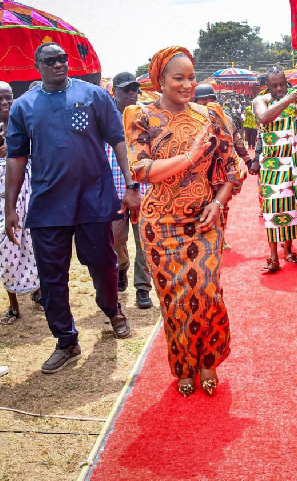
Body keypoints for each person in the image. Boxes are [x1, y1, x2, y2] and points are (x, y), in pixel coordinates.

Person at [5, 42, 138, 374]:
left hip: (92, 199)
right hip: (48, 206)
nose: (58, 65)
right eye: (50, 61)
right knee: (52, 279)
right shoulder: (24, 107)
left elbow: (117, 139)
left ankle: (112, 310)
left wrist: (131, 183)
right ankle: (66, 341)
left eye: (63, 59)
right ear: (38, 65)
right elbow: (16, 158)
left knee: (104, 265)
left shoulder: (94, 96)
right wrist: (10, 207)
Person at [125, 46, 240, 397]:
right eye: (179, 78)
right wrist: (189, 157)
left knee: (206, 292)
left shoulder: (211, 116)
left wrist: (218, 204)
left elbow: (230, 169)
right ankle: (183, 364)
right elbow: (141, 169)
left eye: (191, 76)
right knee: (173, 299)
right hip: (160, 226)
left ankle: (208, 360)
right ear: (160, 79)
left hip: (204, 222)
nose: (188, 84)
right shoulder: (140, 115)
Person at [252, 67, 297, 271]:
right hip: (272, 165)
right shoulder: (261, 100)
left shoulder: (296, 99)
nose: (280, 88)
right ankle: (273, 257)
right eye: (275, 86)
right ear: (267, 86)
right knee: (272, 209)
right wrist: (288, 99)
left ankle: (289, 251)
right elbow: (264, 118)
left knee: (294, 207)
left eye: (282, 84)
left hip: (295, 162)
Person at [107, 72, 153, 309]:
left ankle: (143, 288)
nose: (131, 94)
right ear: (114, 91)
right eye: (126, 90)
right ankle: (122, 267)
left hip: (143, 190)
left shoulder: (146, 115)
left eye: (134, 89)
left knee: (145, 242)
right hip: (113, 192)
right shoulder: (104, 115)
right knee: (115, 241)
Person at [0, 82, 40, 325]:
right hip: (4, 199)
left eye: (9, 98)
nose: (5, 104)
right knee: (6, 246)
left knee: (34, 242)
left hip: (28, 189)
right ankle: (13, 303)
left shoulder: (22, 123)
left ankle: (37, 291)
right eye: (0, 100)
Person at [194, 84, 251, 250]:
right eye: (201, 100)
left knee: (221, 204)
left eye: (209, 99)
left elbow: (237, 140)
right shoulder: (190, 118)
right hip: (199, 171)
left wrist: (247, 159)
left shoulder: (225, 118)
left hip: (222, 169)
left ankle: (221, 237)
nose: (205, 103)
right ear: (195, 100)